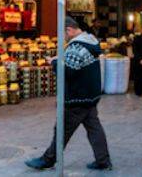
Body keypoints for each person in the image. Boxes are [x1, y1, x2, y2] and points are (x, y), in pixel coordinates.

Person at [26, 17, 112, 171]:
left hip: (77, 97)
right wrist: (59, 59)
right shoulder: (90, 40)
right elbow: (76, 63)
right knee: (94, 128)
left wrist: (53, 63)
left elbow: (68, 72)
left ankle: (48, 159)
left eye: (63, 33)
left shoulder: (75, 47)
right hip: (90, 95)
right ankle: (103, 160)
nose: (63, 37)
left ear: (69, 30)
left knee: (62, 129)